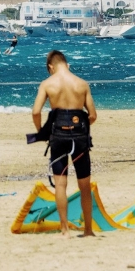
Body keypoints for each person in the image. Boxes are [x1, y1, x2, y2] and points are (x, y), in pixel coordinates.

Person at [31, 50, 98, 238]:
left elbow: (36, 112)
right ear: (67, 65)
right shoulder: (82, 84)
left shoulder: (47, 84)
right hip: (79, 137)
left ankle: (65, 230)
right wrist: (81, 125)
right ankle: (88, 230)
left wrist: (41, 133)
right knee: (84, 184)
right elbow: (92, 115)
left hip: (58, 135)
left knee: (60, 184)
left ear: (50, 67)